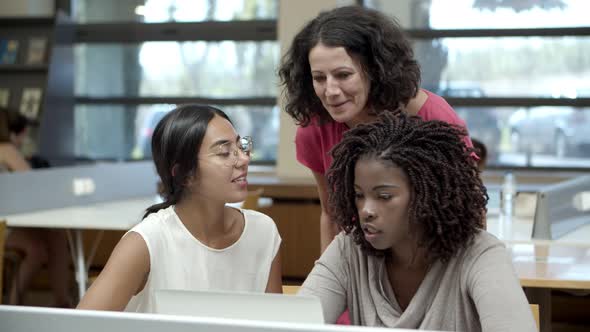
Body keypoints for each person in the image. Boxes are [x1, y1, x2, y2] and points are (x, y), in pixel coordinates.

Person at [298, 112, 536, 331]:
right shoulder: (349, 250)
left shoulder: (480, 255)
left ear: (427, 196)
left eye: (384, 196)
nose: (366, 210)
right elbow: (293, 325)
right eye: (359, 195)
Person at [278, 5, 476, 253]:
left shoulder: (434, 117)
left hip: (430, 260)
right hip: (359, 262)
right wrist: (327, 282)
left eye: (343, 75)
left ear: (376, 69)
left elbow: (470, 213)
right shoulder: (315, 128)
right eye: (319, 78)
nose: (330, 91)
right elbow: (331, 214)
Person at [77, 104, 282, 312]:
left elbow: (273, 323)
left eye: (241, 146)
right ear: (185, 173)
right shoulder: (146, 242)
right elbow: (79, 326)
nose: (244, 159)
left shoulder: (263, 231)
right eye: (225, 152)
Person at [1, 109, 72, 307]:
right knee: (40, 248)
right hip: (4, 227)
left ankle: (61, 301)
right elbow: (33, 184)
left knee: (54, 237)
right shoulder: (6, 149)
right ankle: (14, 304)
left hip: (8, 222)